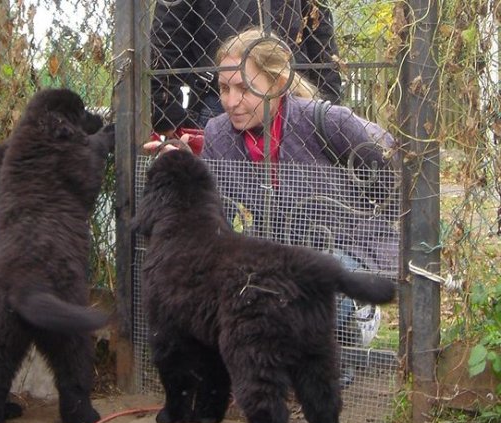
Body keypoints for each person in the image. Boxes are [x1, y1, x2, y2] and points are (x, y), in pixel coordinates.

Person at [145, 28, 399, 385]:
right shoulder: (219, 134)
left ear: (278, 84)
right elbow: (215, 211)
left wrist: (382, 226)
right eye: (224, 89)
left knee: (316, 296)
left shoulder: (324, 120)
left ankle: (356, 320)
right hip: (275, 255)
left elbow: (392, 162)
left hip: (346, 249)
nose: (231, 101)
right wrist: (185, 167)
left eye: (244, 89)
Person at [150, 0, 343, 136]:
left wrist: (328, 108)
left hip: (291, 93)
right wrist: (166, 110)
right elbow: (168, 34)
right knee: (229, 188)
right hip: (225, 96)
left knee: (295, 187)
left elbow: (319, 34)